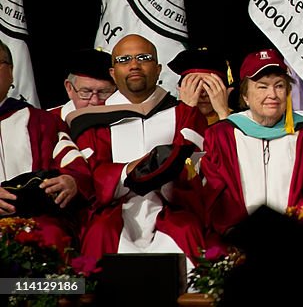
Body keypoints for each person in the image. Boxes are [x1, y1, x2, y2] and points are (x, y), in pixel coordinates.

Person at [70, 34, 207, 267]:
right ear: (113, 73)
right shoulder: (91, 121)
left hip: (171, 207)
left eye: (143, 58)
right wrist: (129, 172)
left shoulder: (185, 114)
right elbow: (90, 175)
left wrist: (166, 175)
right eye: (124, 60)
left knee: (187, 230)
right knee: (99, 233)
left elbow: (196, 168)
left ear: (158, 68)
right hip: (115, 211)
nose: (134, 65)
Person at [199, 48, 303, 240]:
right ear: (246, 95)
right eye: (262, 86)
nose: (272, 94)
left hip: (296, 242)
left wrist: (293, 230)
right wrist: (239, 234)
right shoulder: (221, 136)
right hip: (238, 243)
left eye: (279, 86)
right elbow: (215, 196)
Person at [0, 42, 92, 246]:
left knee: (52, 236)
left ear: (11, 72)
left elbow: (75, 168)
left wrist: (71, 181)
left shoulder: (42, 122)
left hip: (34, 220)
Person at [167, 47, 234, 125]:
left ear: (224, 90)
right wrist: (186, 110)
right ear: (180, 89)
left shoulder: (243, 120)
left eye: (209, 85)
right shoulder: (166, 119)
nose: (203, 94)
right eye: (196, 85)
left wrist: (223, 113)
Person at [48, 48, 117, 122]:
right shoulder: (46, 121)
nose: (95, 101)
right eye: (86, 92)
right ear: (69, 88)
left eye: (104, 92)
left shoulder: (125, 119)